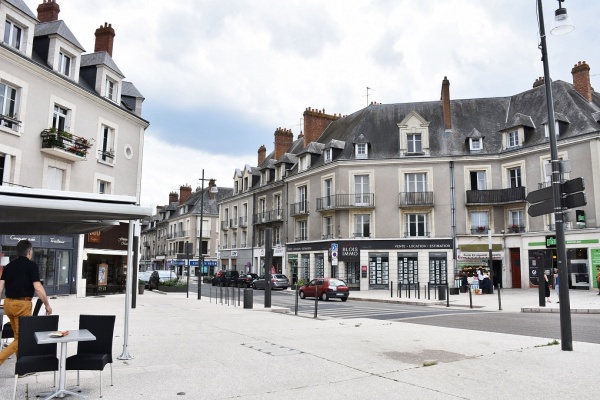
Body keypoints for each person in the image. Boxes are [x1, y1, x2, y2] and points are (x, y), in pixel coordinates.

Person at [0, 240, 52, 366]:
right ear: (29, 252)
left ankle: (21, 367)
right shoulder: (32, 266)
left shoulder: (9, 266)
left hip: (8, 304)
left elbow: (0, 286)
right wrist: (47, 304)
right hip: (21, 306)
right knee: (22, 338)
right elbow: (38, 288)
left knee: (18, 337)